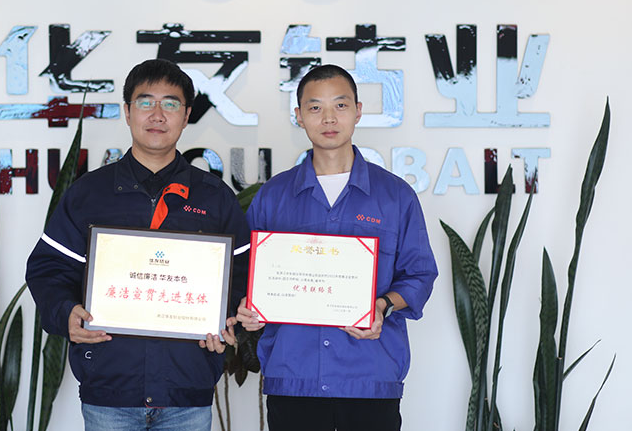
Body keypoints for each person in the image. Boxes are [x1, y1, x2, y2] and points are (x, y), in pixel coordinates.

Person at [26, 59, 250, 431]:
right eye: (146, 102)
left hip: (187, 393)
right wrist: (65, 312)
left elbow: (242, 276)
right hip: (109, 392)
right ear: (128, 112)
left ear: (187, 115)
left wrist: (227, 322)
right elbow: (48, 268)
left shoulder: (215, 197)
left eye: (170, 103)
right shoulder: (89, 193)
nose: (157, 114)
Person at [236, 64, 437, 431]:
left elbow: (420, 274)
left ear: (357, 111)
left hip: (369, 377)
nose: (328, 118)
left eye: (340, 105)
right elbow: (246, 274)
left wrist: (383, 305)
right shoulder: (273, 196)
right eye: (315, 107)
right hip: (293, 377)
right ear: (299, 116)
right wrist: (248, 306)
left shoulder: (395, 196)